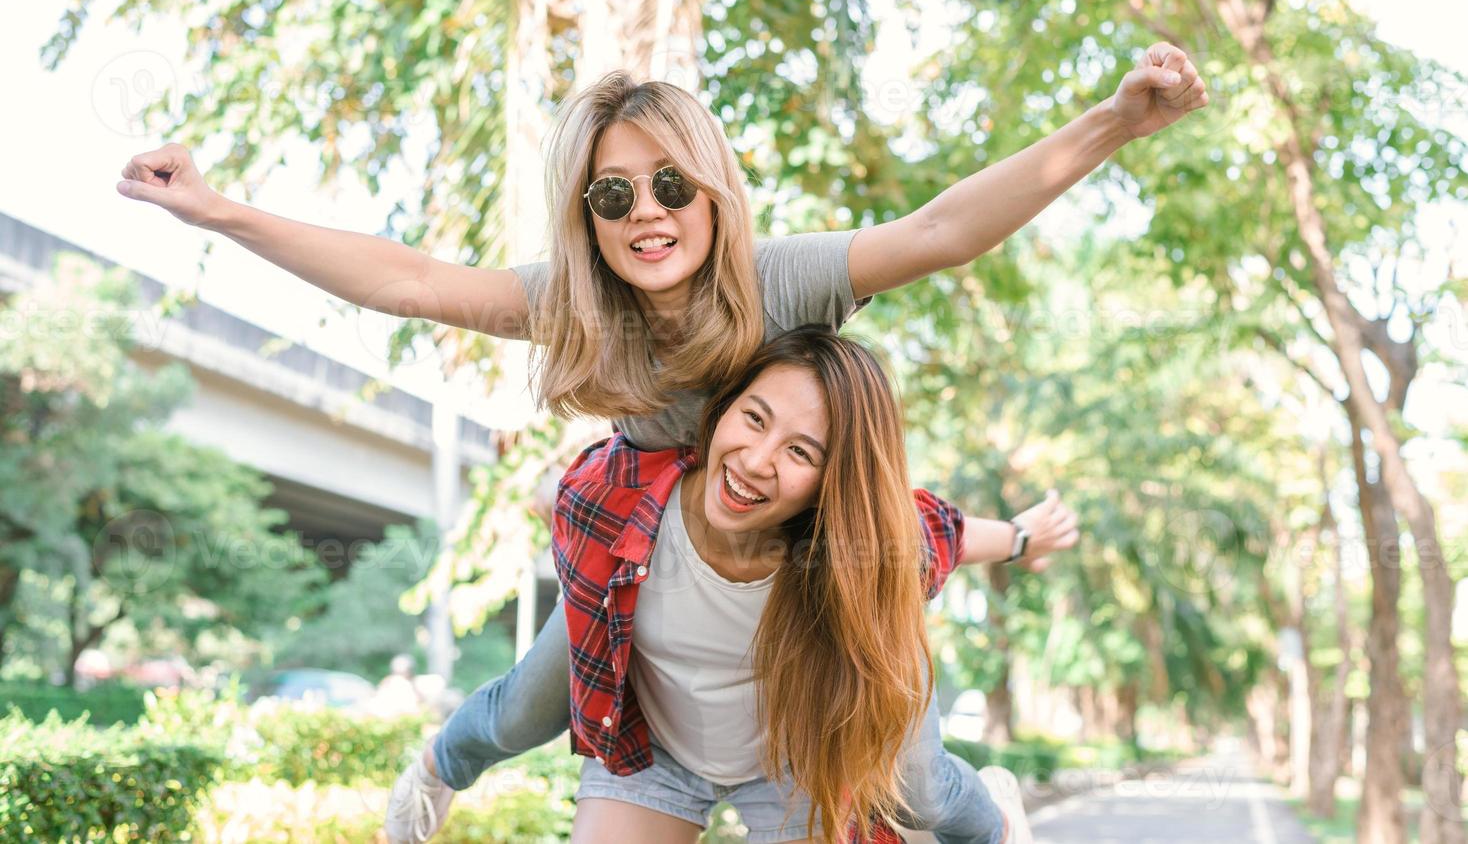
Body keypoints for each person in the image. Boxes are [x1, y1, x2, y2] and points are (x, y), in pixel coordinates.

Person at [114, 43, 1203, 842]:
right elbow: (410, 281)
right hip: (653, 569)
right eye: (613, 192)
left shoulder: (783, 278)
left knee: (915, 779)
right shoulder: (581, 305)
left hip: (810, 592)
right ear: (586, 214)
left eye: (671, 184)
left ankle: (992, 811)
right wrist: (220, 214)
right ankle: (436, 769)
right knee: (531, 701)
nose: (648, 211)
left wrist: (1114, 118)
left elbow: (940, 231)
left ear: (713, 190)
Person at [554, 325, 1052, 844]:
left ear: (829, 485)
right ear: (724, 407)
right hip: (655, 751)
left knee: (924, 792)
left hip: (792, 766)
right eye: (753, 419)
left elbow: (948, 531)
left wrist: (1020, 539)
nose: (755, 461)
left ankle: (997, 824)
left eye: (800, 453)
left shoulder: (856, 550)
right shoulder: (612, 500)